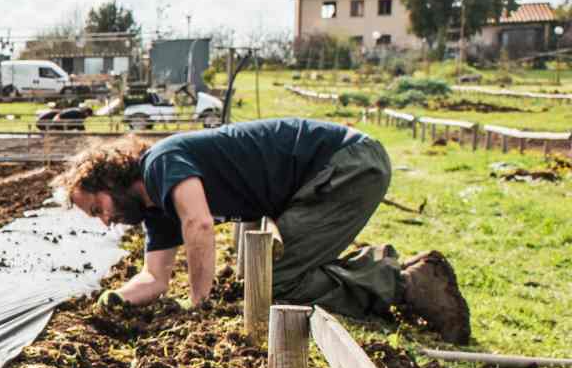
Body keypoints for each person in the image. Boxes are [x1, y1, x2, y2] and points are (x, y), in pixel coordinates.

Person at [55, 118, 469, 341]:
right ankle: (386, 275)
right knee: (277, 281)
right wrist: (116, 299)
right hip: (331, 173)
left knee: (278, 283)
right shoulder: (155, 209)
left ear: (108, 180)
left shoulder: (160, 163)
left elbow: (198, 224)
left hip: (346, 165)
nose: (105, 220)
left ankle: (405, 283)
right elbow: (154, 278)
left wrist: (200, 304)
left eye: (98, 208)